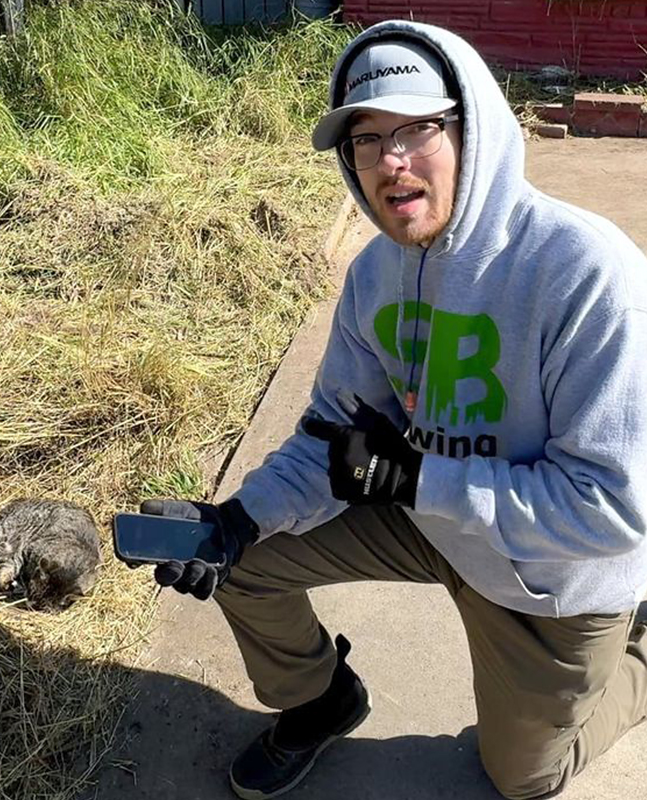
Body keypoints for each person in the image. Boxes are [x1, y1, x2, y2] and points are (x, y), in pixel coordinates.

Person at [140, 19, 647, 800]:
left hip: (548, 573)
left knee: (523, 776)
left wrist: (416, 480)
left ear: (471, 127)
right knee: (243, 558)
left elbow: (609, 511)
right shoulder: (376, 274)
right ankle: (321, 703)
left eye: (417, 127)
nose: (390, 160)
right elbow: (331, 437)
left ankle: (639, 656)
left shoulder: (588, 274)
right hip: (427, 521)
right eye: (366, 140)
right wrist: (237, 521)